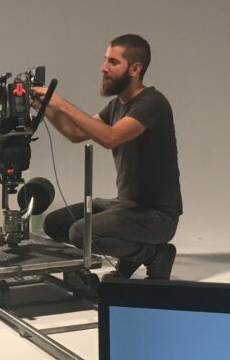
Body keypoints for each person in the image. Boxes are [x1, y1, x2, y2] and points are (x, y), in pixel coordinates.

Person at [32, 34, 181, 280]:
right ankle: (134, 255)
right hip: (125, 205)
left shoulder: (152, 102)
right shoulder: (116, 106)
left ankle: (153, 253)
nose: (103, 67)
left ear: (135, 69)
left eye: (113, 61)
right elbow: (75, 133)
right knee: (54, 224)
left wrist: (59, 102)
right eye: (105, 60)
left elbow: (110, 137)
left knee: (81, 234)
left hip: (157, 216)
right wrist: (45, 107)